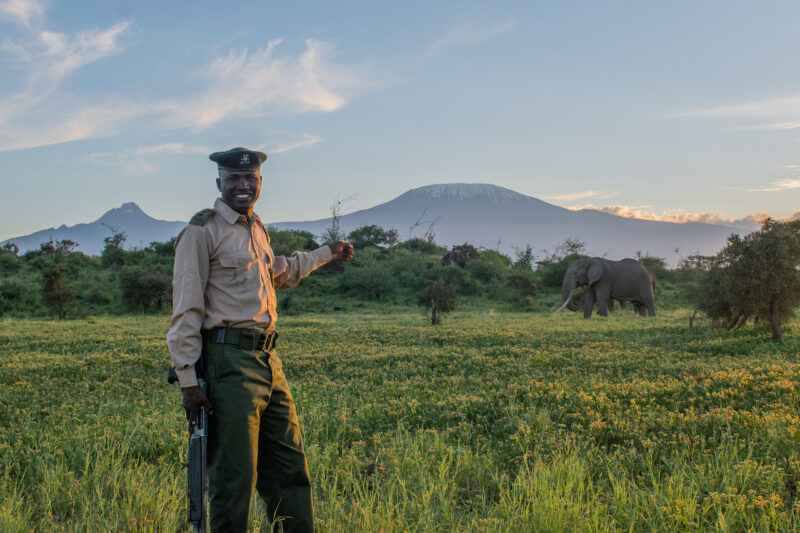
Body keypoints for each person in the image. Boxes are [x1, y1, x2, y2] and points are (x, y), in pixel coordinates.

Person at [167, 147, 354, 532]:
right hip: (228, 361)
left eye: (249, 178)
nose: (242, 185)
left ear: (259, 182)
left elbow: (281, 272)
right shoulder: (201, 231)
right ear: (219, 182)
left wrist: (327, 253)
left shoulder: (256, 229)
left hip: (269, 361)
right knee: (234, 480)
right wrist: (187, 379)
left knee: (290, 470)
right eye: (233, 178)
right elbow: (186, 309)